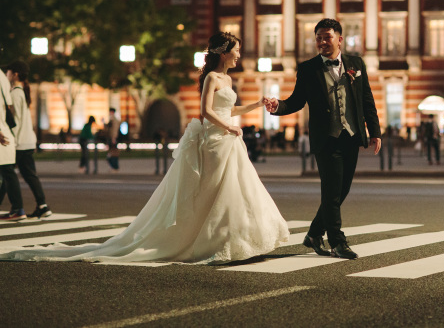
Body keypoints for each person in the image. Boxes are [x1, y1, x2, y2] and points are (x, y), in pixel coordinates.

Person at [0, 32, 289, 263]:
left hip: (228, 140)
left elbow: (230, 109)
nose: (239, 54)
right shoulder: (213, 78)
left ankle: (232, 238)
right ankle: (208, 239)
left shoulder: (227, 79)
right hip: (215, 142)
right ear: (224, 52)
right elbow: (205, 112)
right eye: (236, 49)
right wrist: (228, 127)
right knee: (212, 194)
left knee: (234, 191)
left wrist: (256, 105)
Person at [266, 18, 381, 260]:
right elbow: (296, 101)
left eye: (326, 37)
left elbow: (366, 100)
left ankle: (313, 234)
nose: (321, 42)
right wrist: (278, 107)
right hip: (326, 139)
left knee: (341, 191)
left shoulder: (356, 63)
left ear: (339, 39)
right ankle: (337, 241)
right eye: (318, 37)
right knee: (331, 192)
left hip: (350, 136)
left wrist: (375, 131)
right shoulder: (308, 68)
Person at [0, 61, 50, 219]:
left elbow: (15, 121)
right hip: (27, 139)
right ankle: (42, 205)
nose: (6, 75)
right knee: (25, 175)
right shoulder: (22, 92)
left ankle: (19, 208)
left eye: (8, 72)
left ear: (15, 74)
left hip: (20, 141)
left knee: (7, 173)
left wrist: (11, 140)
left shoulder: (15, 93)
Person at [0, 69, 24, 221]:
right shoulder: (2, 76)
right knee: (6, 172)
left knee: (7, 172)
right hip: (5, 130)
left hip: (2, 132)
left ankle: (18, 208)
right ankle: (18, 208)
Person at [105, 107, 121, 172]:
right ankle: (114, 167)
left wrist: (113, 138)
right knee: (111, 153)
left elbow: (114, 130)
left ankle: (115, 167)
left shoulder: (114, 120)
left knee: (112, 154)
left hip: (113, 138)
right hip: (112, 138)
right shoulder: (112, 119)